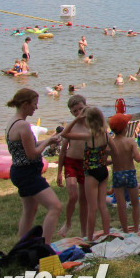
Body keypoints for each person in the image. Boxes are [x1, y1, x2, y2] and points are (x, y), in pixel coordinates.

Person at [5, 88, 63, 244]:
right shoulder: (23, 126)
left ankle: (22, 247)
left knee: (29, 211)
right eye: (34, 104)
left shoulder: (12, 122)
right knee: (55, 206)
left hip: (19, 171)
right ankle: (44, 247)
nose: (36, 107)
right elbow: (32, 154)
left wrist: (47, 141)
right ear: (25, 104)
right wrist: (48, 142)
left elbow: (26, 146)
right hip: (27, 173)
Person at [62, 107, 111, 241]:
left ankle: (89, 237)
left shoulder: (89, 136)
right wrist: (109, 161)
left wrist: (76, 119)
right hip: (103, 171)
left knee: (92, 208)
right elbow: (115, 151)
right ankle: (107, 233)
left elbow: (64, 134)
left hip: (91, 173)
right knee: (102, 206)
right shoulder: (106, 135)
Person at [56, 95, 91, 238]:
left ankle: (83, 230)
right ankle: (68, 222)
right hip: (71, 162)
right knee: (73, 195)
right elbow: (63, 150)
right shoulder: (72, 126)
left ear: (86, 107)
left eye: (80, 109)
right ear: (71, 113)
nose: (78, 113)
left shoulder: (92, 125)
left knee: (84, 199)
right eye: (75, 111)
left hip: (85, 163)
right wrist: (59, 173)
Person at [108, 112, 140, 233]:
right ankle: (136, 228)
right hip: (130, 173)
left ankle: (125, 229)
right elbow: (138, 159)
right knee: (135, 203)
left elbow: (105, 160)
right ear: (126, 128)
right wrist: (133, 153)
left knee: (121, 205)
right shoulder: (130, 141)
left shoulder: (111, 144)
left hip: (117, 174)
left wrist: (112, 161)